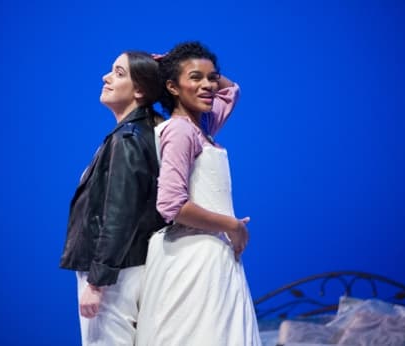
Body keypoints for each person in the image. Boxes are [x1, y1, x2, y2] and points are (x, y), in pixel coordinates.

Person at [136, 41, 262, 345]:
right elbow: (171, 205)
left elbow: (232, 91)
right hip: (193, 258)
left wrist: (173, 62)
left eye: (211, 77)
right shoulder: (180, 131)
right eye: (196, 77)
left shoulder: (201, 126)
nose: (208, 85)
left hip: (209, 253)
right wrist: (231, 225)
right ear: (173, 87)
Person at [59, 51, 166, 345]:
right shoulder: (146, 130)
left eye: (119, 73)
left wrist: (97, 281)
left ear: (140, 90)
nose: (106, 77)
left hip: (115, 274)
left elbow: (120, 213)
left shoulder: (127, 138)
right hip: (127, 268)